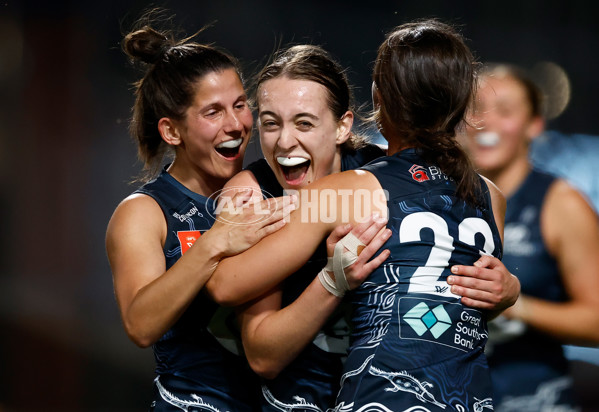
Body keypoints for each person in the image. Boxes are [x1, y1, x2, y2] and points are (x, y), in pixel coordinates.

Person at [207, 19, 509, 411]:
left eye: (303, 122)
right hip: (468, 398)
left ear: (377, 101)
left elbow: (225, 286)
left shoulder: (347, 189)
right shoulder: (492, 196)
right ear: (462, 103)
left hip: (382, 396)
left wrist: (331, 276)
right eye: (271, 123)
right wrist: (510, 293)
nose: (285, 141)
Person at [106, 15, 387, 411]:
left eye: (240, 105)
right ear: (172, 132)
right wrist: (214, 243)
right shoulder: (144, 211)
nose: (236, 124)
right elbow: (140, 325)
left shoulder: (273, 183)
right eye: (213, 112)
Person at [464, 63, 599, 411]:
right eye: (475, 109)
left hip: (535, 399)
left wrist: (517, 307)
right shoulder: (439, 197)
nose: (486, 123)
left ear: (534, 125)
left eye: (505, 111)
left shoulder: (560, 203)